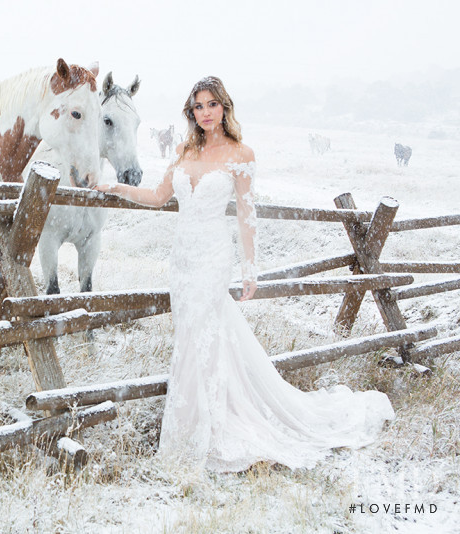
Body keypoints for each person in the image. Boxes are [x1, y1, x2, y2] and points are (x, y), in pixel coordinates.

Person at [94, 76, 394, 472]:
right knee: (191, 337)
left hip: (215, 257)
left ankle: (200, 434)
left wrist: (250, 268)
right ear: (191, 112)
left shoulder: (241, 154)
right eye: (198, 106)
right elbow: (157, 197)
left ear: (225, 107)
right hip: (181, 260)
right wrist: (114, 187)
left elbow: (247, 215)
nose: (205, 113)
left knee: (200, 334)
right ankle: (202, 420)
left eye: (212, 105)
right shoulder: (184, 150)